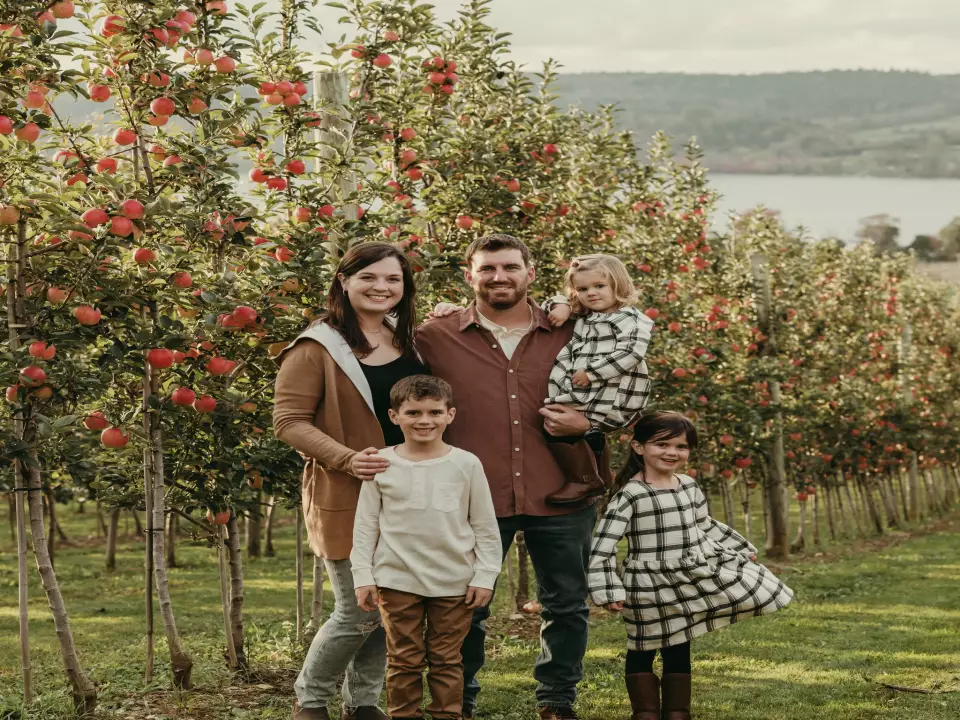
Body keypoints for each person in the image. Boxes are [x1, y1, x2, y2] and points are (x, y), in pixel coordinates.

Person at [416, 234, 610, 720]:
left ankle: (557, 700)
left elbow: (627, 390)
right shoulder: (434, 336)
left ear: (530, 274)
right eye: (487, 269)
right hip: (472, 497)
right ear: (469, 276)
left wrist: (589, 423)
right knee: (464, 607)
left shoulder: (577, 329)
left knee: (565, 604)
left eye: (509, 267)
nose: (498, 277)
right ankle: (457, 702)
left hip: (561, 491)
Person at [273, 242, 427, 720]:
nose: (382, 287)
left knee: (392, 606)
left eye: (393, 280)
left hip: (406, 493)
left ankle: (363, 703)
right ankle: (310, 698)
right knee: (359, 608)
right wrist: (345, 459)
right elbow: (289, 421)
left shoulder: (409, 340)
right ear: (344, 281)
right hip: (346, 491)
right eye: (369, 277)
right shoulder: (317, 346)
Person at [587, 411, 794, 720]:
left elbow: (703, 526)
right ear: (638, 447)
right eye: (662, 444)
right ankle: (644, 713)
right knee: (642, 646)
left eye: (681, 447)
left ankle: (677, 712)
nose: (672, 452)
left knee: (679, 642)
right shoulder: (630, 495)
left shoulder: (688, 486)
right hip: (646, 584)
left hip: (686, 578)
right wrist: (608, 589)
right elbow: (601, 547)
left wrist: (739, 548)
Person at [351, 375, 503, 720]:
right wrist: (363, 575)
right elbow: (365, 525)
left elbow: (484, 525)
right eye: (414, 412)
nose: (424, 420)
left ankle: (447, 714)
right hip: (396, 579)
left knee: (447, 659)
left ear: (450, 414)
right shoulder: (381, 464)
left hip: (454, 582)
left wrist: (486, 575)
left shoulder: (466, 464)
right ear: (395, 416)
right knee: (403, 659)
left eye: (435, 412)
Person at [540, 253, 654, 506]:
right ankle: (598, 474)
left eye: (599, 286)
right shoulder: (584, 315)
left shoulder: (630, 319)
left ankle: (585, 479)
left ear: (618, 285)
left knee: (558, 424)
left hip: (612, 390)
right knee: (561, 423)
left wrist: (592, 373)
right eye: (582, 288)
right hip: (589, 389)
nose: (590, 293)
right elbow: (550, 300)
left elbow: (632, 352)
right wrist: (562, 305)